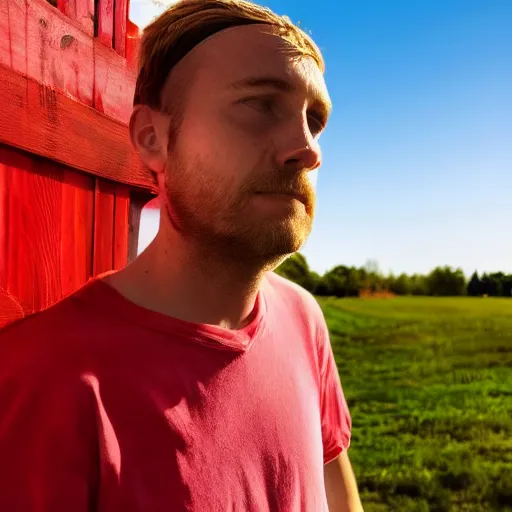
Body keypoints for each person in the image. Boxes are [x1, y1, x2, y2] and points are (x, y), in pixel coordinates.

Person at [0, 0, 363, 510]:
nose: (307, 148)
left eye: (315, 120)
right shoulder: (40, 382)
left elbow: (331, 481)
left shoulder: (304, 317)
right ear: (153, 138)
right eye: (261, 104)